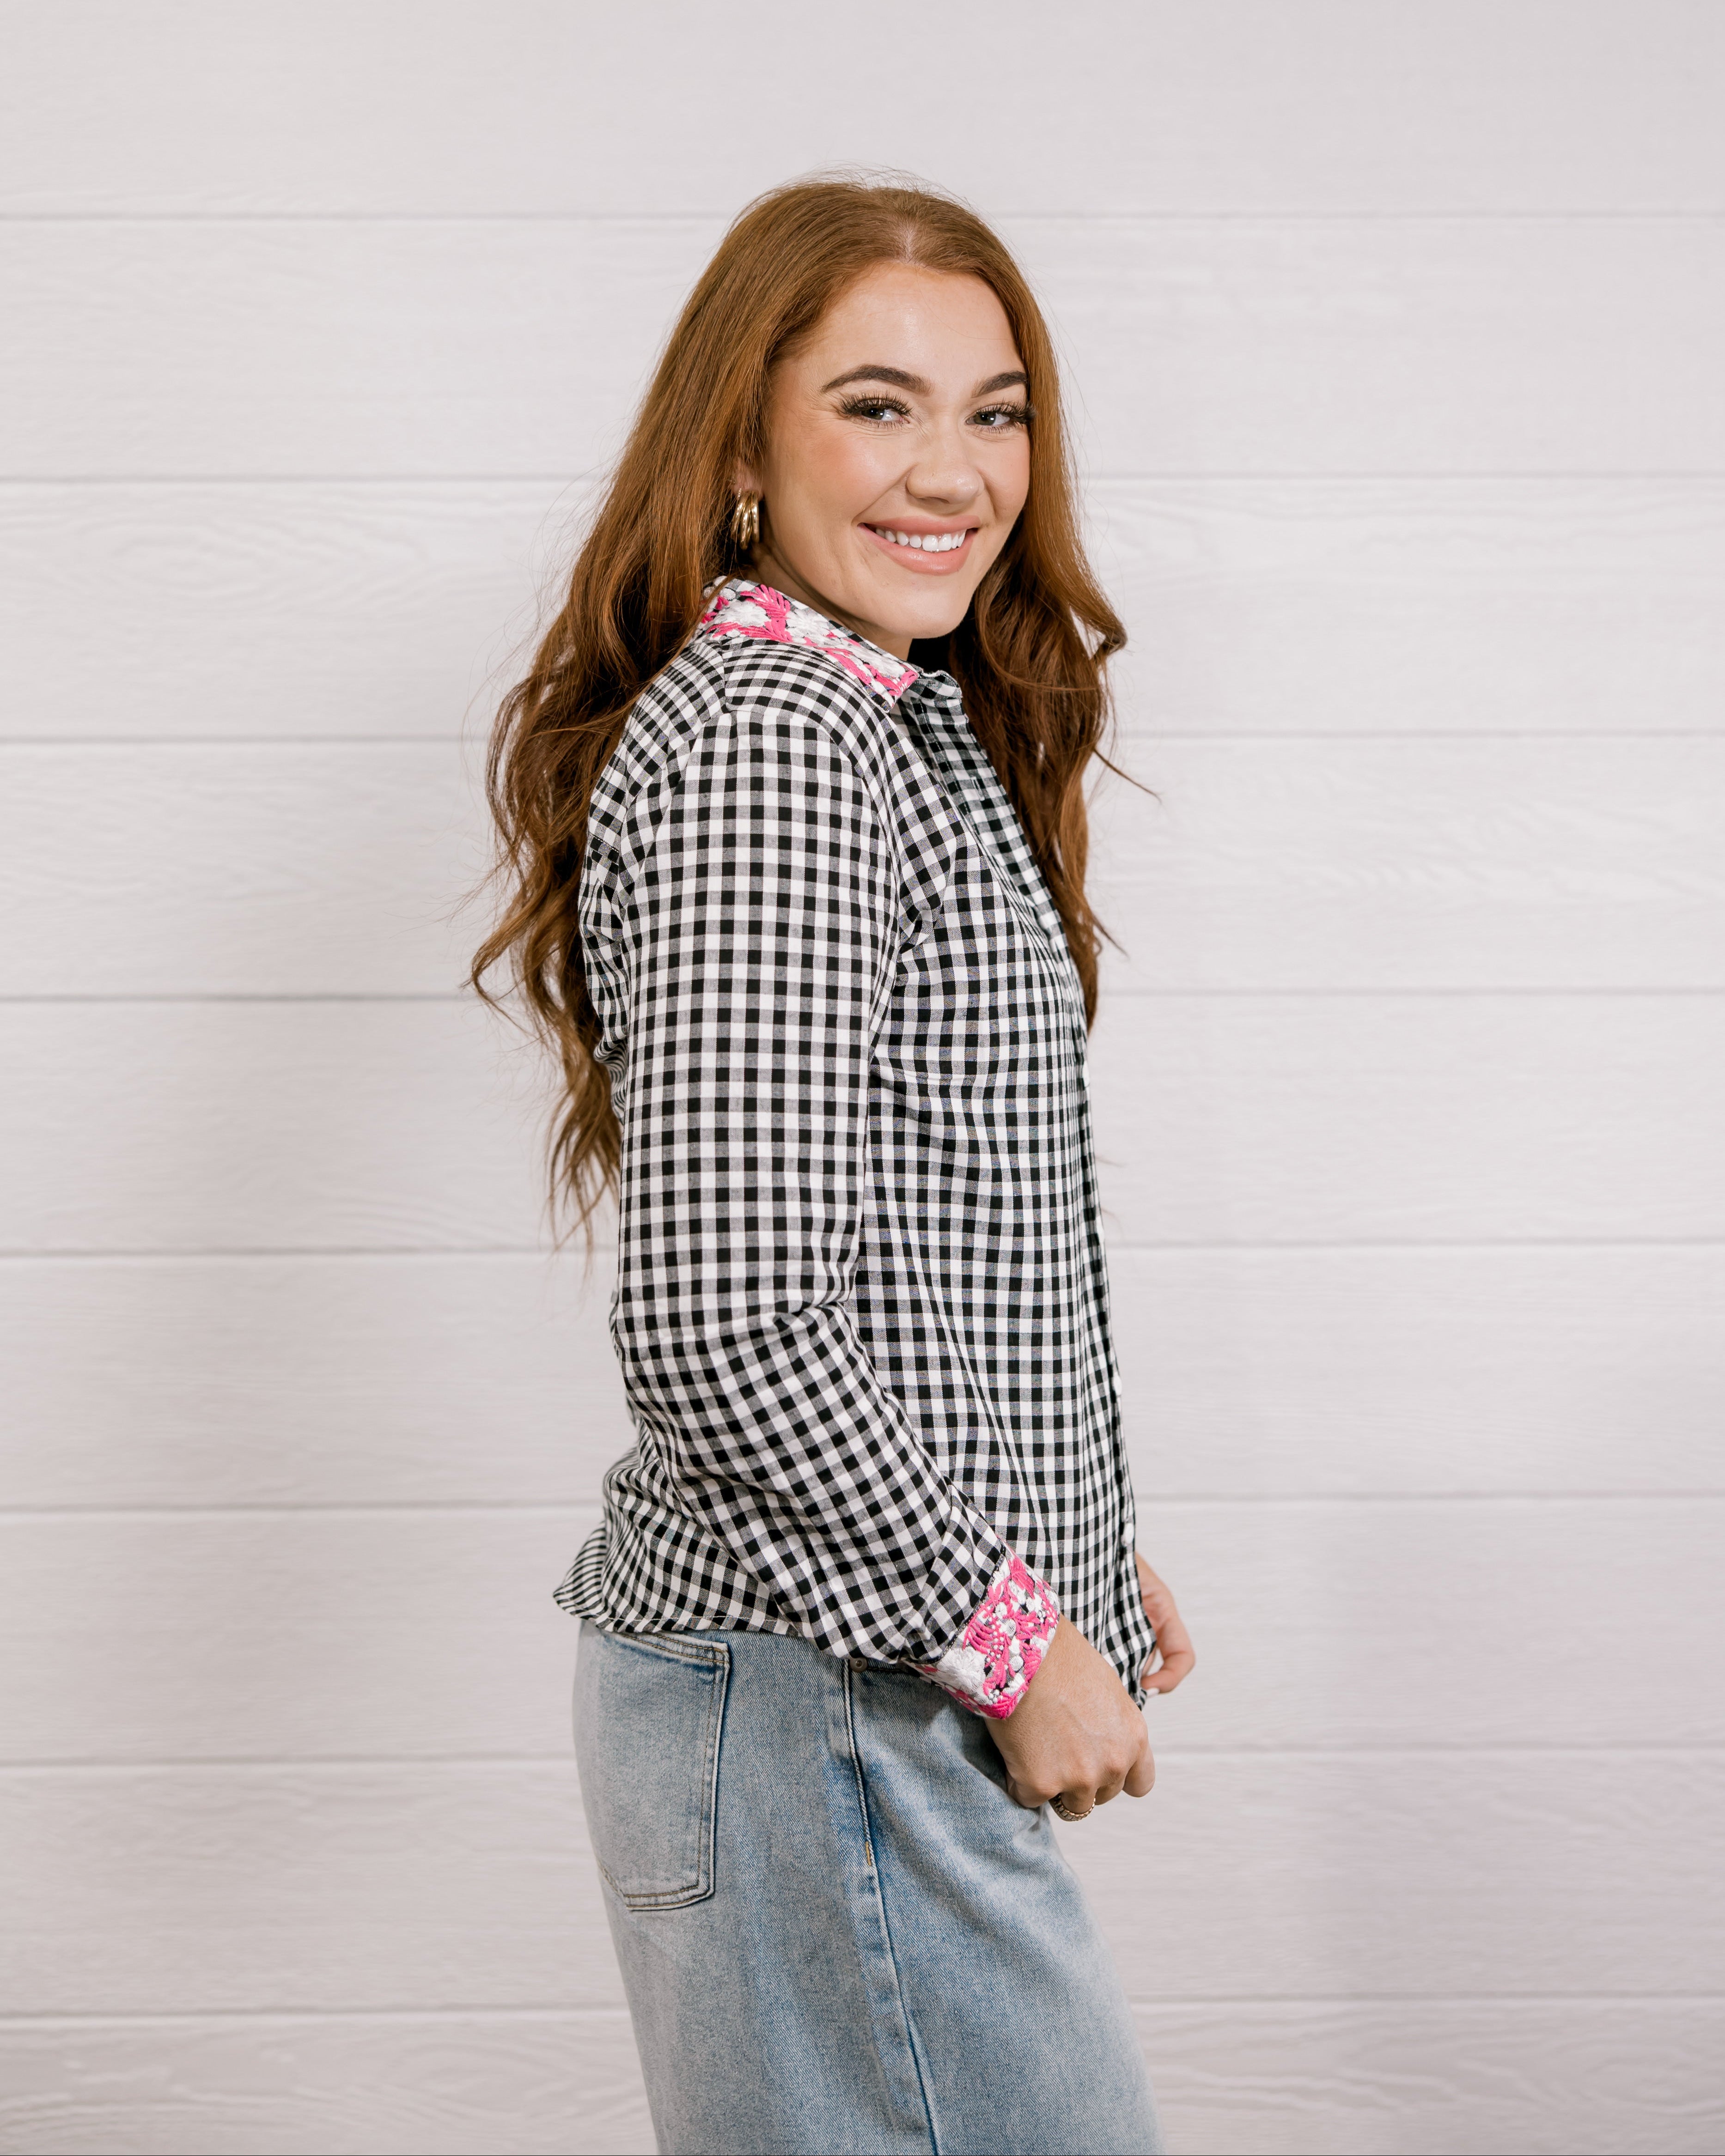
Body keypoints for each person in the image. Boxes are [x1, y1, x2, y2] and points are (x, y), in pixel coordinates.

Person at [475, 175, 1195, 2156]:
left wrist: (1059, 1512)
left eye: (995, 408)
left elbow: (902, 1226)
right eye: (877, 405)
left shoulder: (881, 720)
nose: (951, 470)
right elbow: (728, 1325)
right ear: (737, 444)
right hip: (827, 1703)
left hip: (839, 1688)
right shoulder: (786, 743)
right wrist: (1012, 1629)